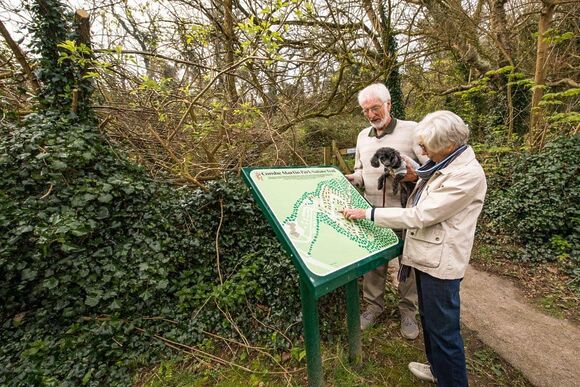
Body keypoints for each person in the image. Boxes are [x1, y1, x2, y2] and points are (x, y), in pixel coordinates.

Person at [342, 110, 487, 386]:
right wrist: (412, 175)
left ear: (447, 144)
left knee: (444, 332)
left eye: (426, 146)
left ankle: (452, 380)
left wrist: (369, 214)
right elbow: (426, 181)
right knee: (431, 323)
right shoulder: (445, 162)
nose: (422, 150)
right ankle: (438, 369)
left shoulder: (466, 175)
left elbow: (421, 215)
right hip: (427, 255)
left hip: (441, 262)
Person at [346, 83, 428, 338]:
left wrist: (413, 177)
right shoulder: (362, 136)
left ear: (389, 104)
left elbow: (431, 171)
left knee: (408, 263)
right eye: (365, 110)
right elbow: (362, 170)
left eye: (375, 108)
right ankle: (373, 307)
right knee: (373, 264)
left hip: (405, 212)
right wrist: (353, 179)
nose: (371, 114)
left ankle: (408, 312)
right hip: (370, 212)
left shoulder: (413, 130)